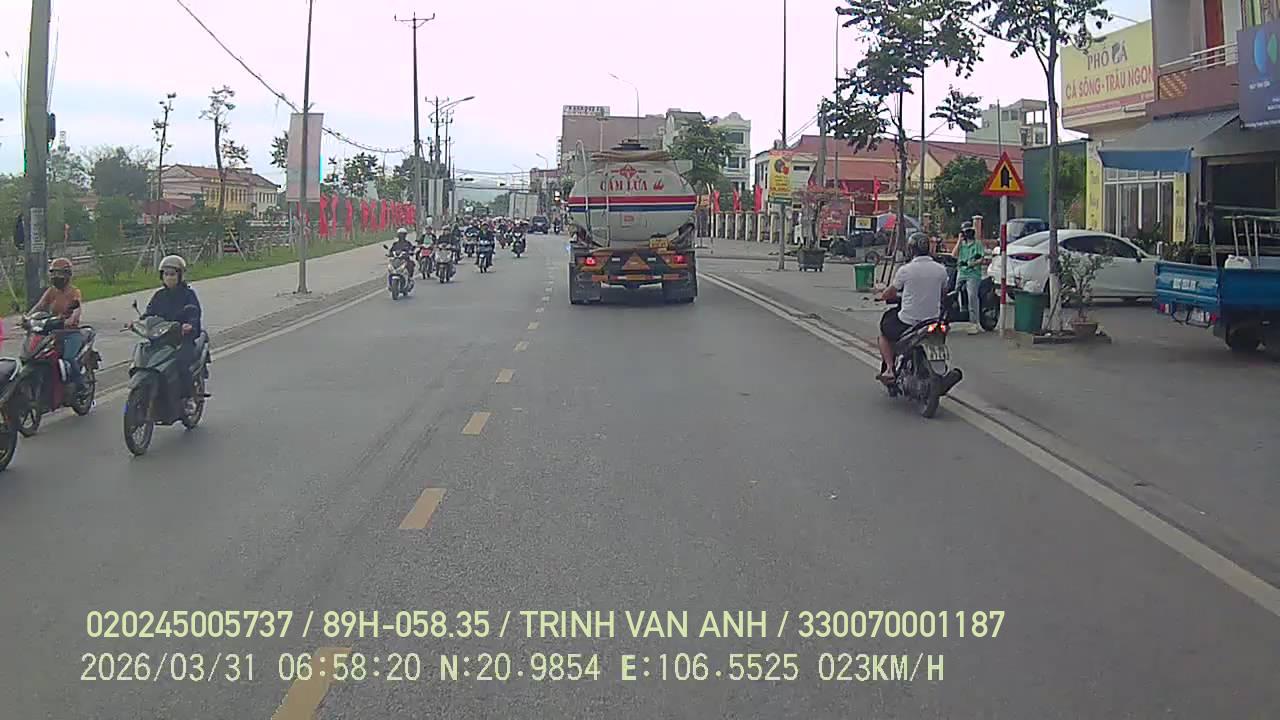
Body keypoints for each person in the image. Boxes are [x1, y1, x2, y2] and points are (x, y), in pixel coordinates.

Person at [877, 232, 948, 384]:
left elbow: (890, 292)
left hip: (909, 321)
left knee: (884, 330)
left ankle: (889, 369)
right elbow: (944, 291)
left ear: (911, 250)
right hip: (933, 319)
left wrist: (883, 295)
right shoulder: (941, 269)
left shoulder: (906, 270)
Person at [142, 255, 203, 411]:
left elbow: (194, 313)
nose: (169, 278)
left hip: (183, 339)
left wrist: (189, 325)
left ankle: (188, 398)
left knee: (181, 364)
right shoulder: (159, 295)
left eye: (172, 274)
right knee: (145, 356)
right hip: (162, 337)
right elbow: (149, 313)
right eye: (166, 274)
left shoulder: (188, 295)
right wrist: (138, 322)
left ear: (180, 276)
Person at [30, 257, 86, 388]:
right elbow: (40, 306)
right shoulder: (52, 291)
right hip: (53, 332)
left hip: (70, 333)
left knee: (68, 358)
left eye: (60, 273)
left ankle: (80, 385)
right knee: (38, 355)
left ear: (68, 275)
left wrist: (70, 320)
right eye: (54, 273)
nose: (56, 277)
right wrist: (27, 317)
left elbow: (77, 309)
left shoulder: (74, 292)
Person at [955, 221, 987, 335]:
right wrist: (959, 241)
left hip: (973, 274)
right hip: (961, 272)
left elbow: (981, 258)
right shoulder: (962, 245)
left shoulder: (977, 244)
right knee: (953, 293)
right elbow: (954, 255)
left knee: (972, 296)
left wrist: (972, 263)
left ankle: (974, 322)